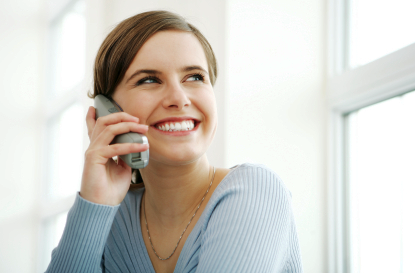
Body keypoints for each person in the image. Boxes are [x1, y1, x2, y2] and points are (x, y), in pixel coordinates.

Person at [45, 10, 303, 273]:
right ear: (107, 109)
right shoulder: (110, 214)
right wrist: (95, 203)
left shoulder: (255, 191)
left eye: (194, 77)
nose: (179, 98)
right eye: (149, 80)